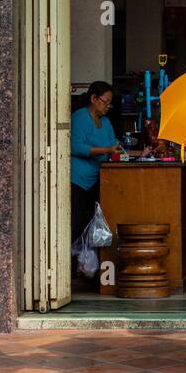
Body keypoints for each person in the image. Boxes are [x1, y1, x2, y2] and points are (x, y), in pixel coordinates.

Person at [69, 81, 121, 259]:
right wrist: (106, 151)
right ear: (93, 98)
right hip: (77, 180)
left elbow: (113, 143)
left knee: (92, 224)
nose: (108, 107)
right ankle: (73, 266)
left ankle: (88, 265)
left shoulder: (106, 122)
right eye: (105, 102)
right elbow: (75, 147)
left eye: (109, 103)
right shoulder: (80, 117)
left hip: (97, 179)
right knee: (76, 224)